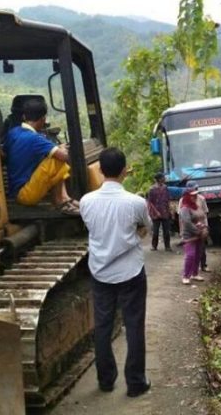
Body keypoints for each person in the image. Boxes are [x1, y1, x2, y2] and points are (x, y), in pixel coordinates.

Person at [78, 147, 152, 397]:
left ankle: (106, 380)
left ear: (99, 169)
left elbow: (91, 228)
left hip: (100, 272)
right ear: (124, 171)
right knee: (134, 326)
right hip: (131, 271)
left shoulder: (86, 202)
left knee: (102, 327)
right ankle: (135, 383)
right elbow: (146, 227)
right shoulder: (136, 202)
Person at [3, 99, 79, 215]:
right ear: (43, 119)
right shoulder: (36, 139)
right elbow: (64, 157)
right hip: (26, 195)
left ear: (24, 116)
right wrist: (61, 149)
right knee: (56, 160)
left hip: (16, 192)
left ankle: (65, 197)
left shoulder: (13, 132)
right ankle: (60, 201)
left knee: (52, 157)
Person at [178, 180, 210, 272]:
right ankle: (190, 271)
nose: (196, 190)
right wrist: (181, 232)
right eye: (194, 188)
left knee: (201, 249)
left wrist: (206, 228)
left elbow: (204, 215)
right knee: (191, 252)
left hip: (201, 227)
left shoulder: (201, 199)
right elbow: (182, 218)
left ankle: (203, 265)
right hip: (189, 229)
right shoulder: (182, 200)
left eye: (196, 188)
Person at [147, 173, 172, 252]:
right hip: (155, 214)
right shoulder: (152, 189)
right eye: (163, 177)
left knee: (166, 231)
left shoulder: (165, 188)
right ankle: (154, 246)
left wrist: (170, 209)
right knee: (155, 231)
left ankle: (167, 246)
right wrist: (156, 212)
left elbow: (168, 199)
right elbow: (150, 202)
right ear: (159, 179)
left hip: (165, 212)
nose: (164, 178)